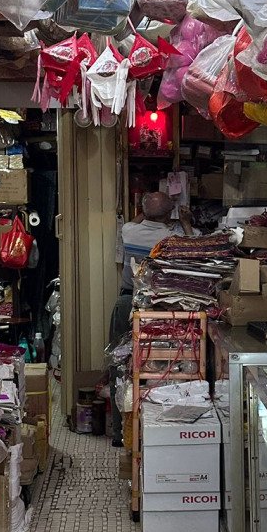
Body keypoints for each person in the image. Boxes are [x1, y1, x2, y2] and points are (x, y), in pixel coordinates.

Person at [107, 191, 193, 446]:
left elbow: (137, 220)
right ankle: (157, 428)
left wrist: (147, 211)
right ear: (170, 215)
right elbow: (194, 251)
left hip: (127, 302)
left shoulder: (129, 231)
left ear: (143, 212)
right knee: (162, 367)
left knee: (120, 364)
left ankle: (120, 432)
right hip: (161, 308)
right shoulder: (172, 238)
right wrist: (185, 221)